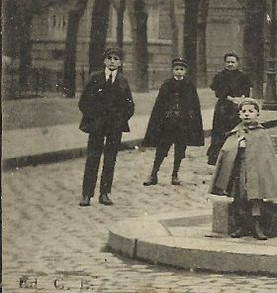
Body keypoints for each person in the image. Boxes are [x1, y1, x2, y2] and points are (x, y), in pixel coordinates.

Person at [209, 97, 277, 239]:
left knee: (255, 198)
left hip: (255, 173)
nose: (246, 114)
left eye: (251, 111)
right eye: (243, 111)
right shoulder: (236, 132)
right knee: (239, 198)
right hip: (239, 171)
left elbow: (266, 155)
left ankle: (256, 227)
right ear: (239, 115)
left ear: (257, 114)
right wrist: (237, 146)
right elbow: (226, 151)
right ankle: (242, 226)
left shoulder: (261, 133)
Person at [78, 46, 135, 207]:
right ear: (104, 60)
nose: (112, 61)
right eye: (109, 58)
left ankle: (104, 193)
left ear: (120, 63)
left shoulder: (123, 81)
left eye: (116, 59)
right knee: (93, 158)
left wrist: (120, 120)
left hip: (114, 127)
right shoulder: (95, 78)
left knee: (110, 159)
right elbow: (83, 102)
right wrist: (94, 118)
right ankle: (87, 194)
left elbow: (129, 105)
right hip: (97, 126)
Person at [142, 58, 204, 186]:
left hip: (183, 124)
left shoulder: (189, 85)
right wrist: (164, 115)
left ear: (185, 71)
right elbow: (160, 104)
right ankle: (154, 174)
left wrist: (191, 119)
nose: (179, 72)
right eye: (176, 69)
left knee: (180, 149)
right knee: (162, 149)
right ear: (172, 70)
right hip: (168, 124)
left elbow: (194, 104)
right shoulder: (167, 84)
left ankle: (175, 174)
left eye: (181, 69)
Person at [207, 51, 252, 165]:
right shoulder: (220, 76)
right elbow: (218, 92)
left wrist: (240, 99)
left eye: (233, 62)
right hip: (224, 107)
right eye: (228, 62)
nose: (230, 64)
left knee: (237, 131)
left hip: (238, 107)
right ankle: (217, 157)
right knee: (220, 132)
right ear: (224, 63)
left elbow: (246, 91)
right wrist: (231, 99)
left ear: (237, 63)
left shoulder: (243, 77)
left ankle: (236, 156)